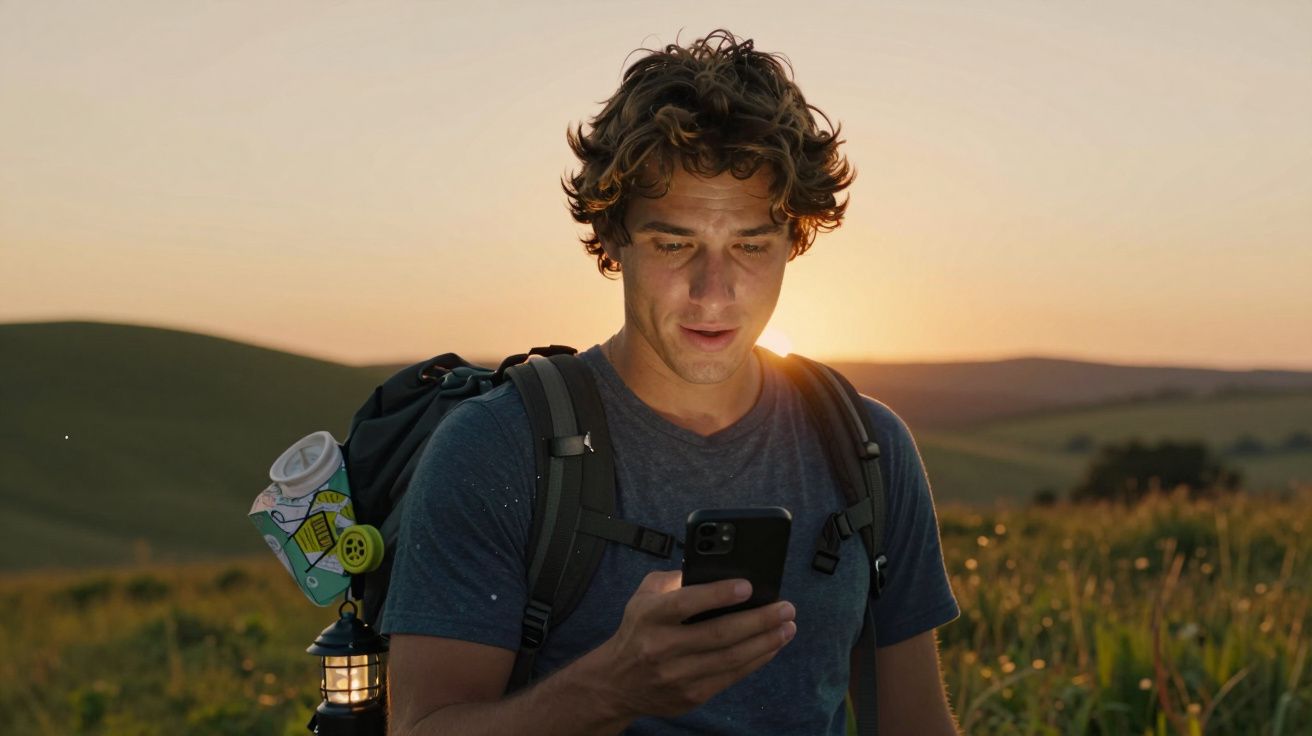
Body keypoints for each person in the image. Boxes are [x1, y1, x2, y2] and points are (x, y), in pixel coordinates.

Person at [382, 29, 961, 735]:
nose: (713, 292)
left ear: (796, 240)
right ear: (614, 236)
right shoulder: (495, 448)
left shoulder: (868, 446)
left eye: (750, 244)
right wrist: (608, 690)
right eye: (673, 243)